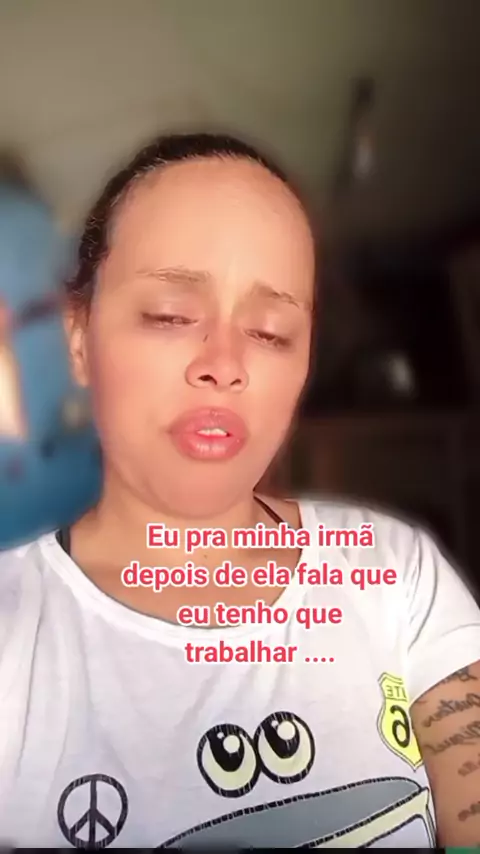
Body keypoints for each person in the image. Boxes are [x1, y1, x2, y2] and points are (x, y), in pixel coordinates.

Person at [0, 132, 479, 850]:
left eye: (271, 331)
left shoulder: (397, 572)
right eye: (170, 315)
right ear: (79, 341)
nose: (224, 364)